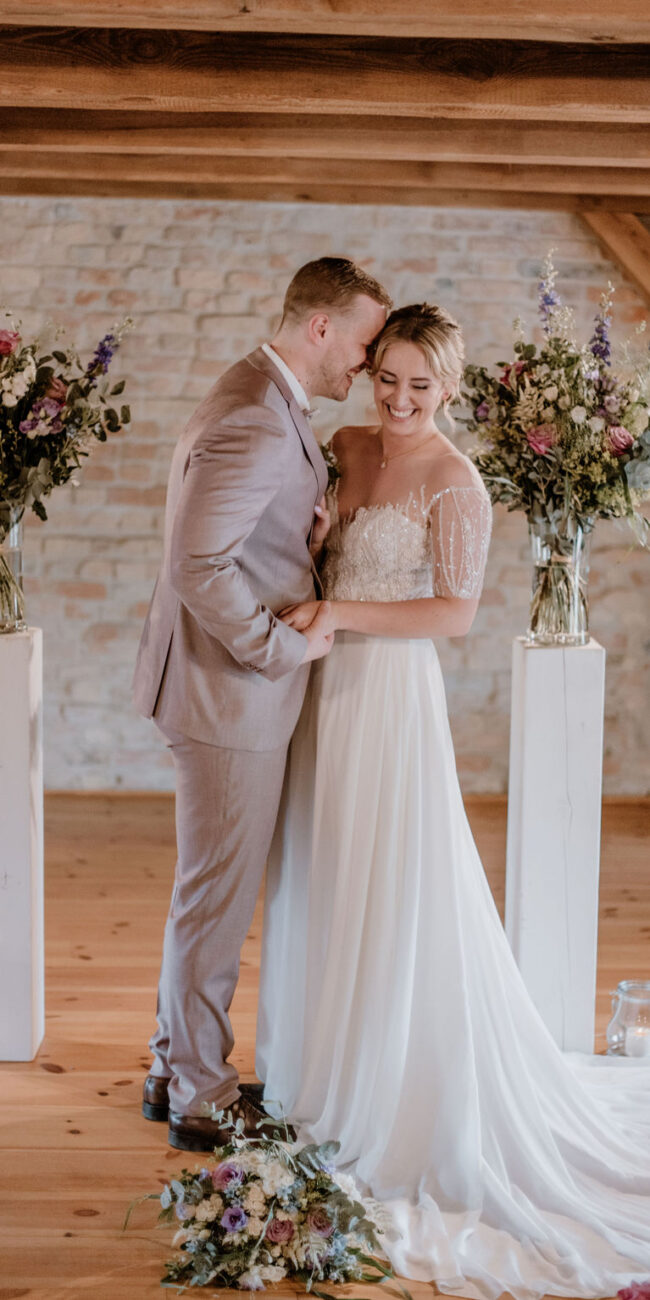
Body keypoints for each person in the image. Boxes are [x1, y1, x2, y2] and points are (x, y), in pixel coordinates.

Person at [256, 303, 650, 1299]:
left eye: (417, 386)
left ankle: (385, 1089)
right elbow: (302, 541)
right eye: (384, 377)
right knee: (324, 873)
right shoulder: (342, 443)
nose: (395, 399)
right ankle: (315, 1071)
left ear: (448, 387)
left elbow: (455, 613)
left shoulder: (456, 482)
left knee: (389, 883)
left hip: (388, 696)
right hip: (322, 691)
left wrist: (337, 608)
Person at [132, 256, 391, 1152]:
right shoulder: (256, 417)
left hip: (213, 685)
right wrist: (286, 647)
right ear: (320, 328)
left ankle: (174, 1067)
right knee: (216, 897)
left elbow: (240, 542)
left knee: (206, 891)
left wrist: (307, 536)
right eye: (361, 345)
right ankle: (203, 1095)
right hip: (227, 692)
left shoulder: (258, 391)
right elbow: (196, 565)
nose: (363, 365)